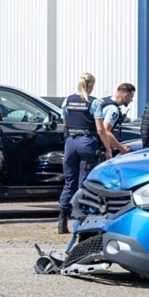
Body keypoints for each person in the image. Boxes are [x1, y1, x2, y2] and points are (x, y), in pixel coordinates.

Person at [57, 73, 105, 235]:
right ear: (91, 85)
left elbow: (64, 121)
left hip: (70, 143)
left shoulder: (68, 100)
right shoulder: (95, 102)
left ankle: (62, 219)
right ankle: (81, 221)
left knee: (69, 181)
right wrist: (109, 148)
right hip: (87, 143)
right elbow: (100, 129)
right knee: (84, 183)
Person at [98, 82, 136, 160]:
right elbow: (106, 132)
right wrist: (121, 149)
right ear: (126, 96)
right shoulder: (113, 109)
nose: (131, 100)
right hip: (97, 146)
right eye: (131, 97)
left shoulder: (102, 101)